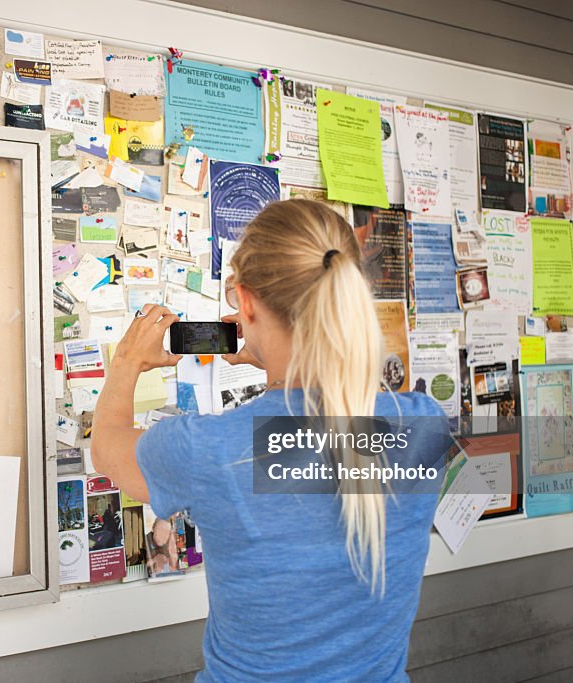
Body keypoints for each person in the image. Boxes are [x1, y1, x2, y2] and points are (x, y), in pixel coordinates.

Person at [92, 199, 450, 681]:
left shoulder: (210, 450)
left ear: (245, 301)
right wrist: (281, 365)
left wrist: (127, 362)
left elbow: (107, 447)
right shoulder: (424, 425)